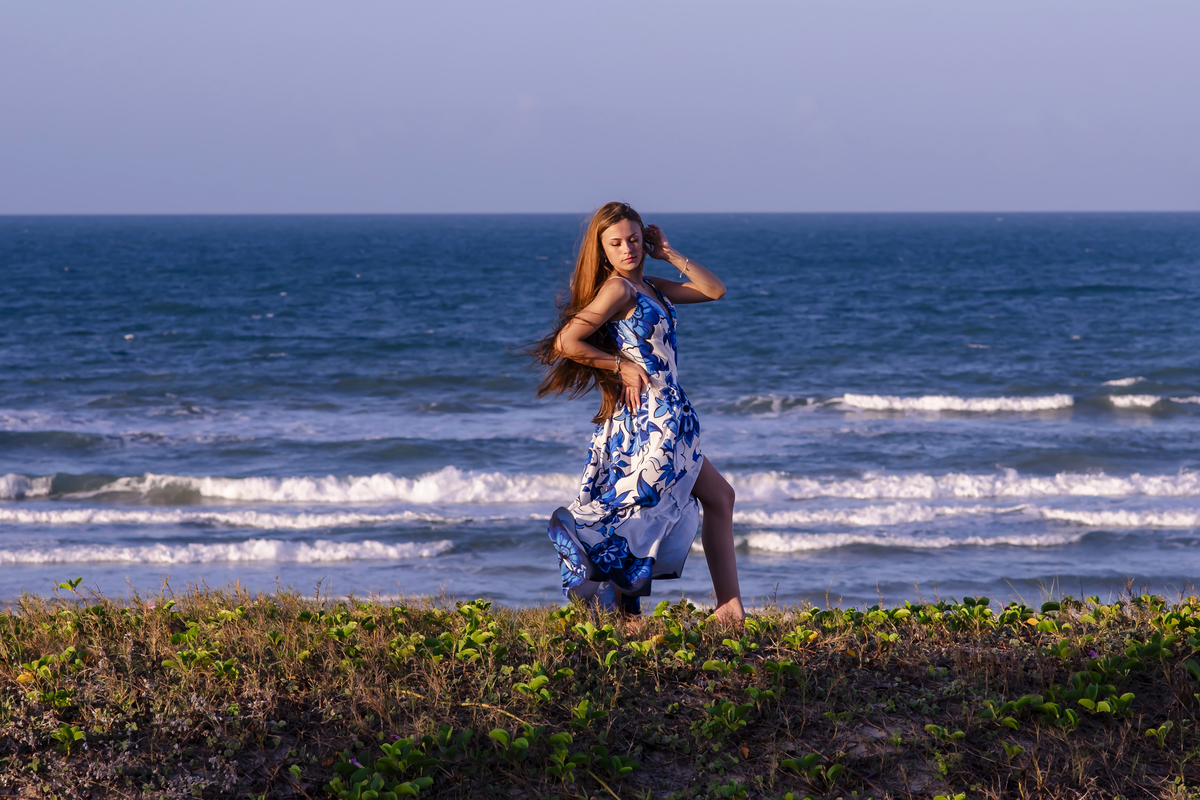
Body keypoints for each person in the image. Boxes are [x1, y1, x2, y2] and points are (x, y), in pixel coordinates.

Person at [530, 202, 744, 623]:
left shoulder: (651, 286)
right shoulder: (618, 290)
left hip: (671, 415)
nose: (627, 249)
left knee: (703, 500)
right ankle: (578, 538)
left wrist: (667, 252)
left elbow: (714, 290)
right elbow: (566, 342)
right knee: (651, 507)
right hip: (648, 419)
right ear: (602, 249)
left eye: (633, 239)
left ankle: (715, 608)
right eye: (616, 243)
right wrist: (620, 365)